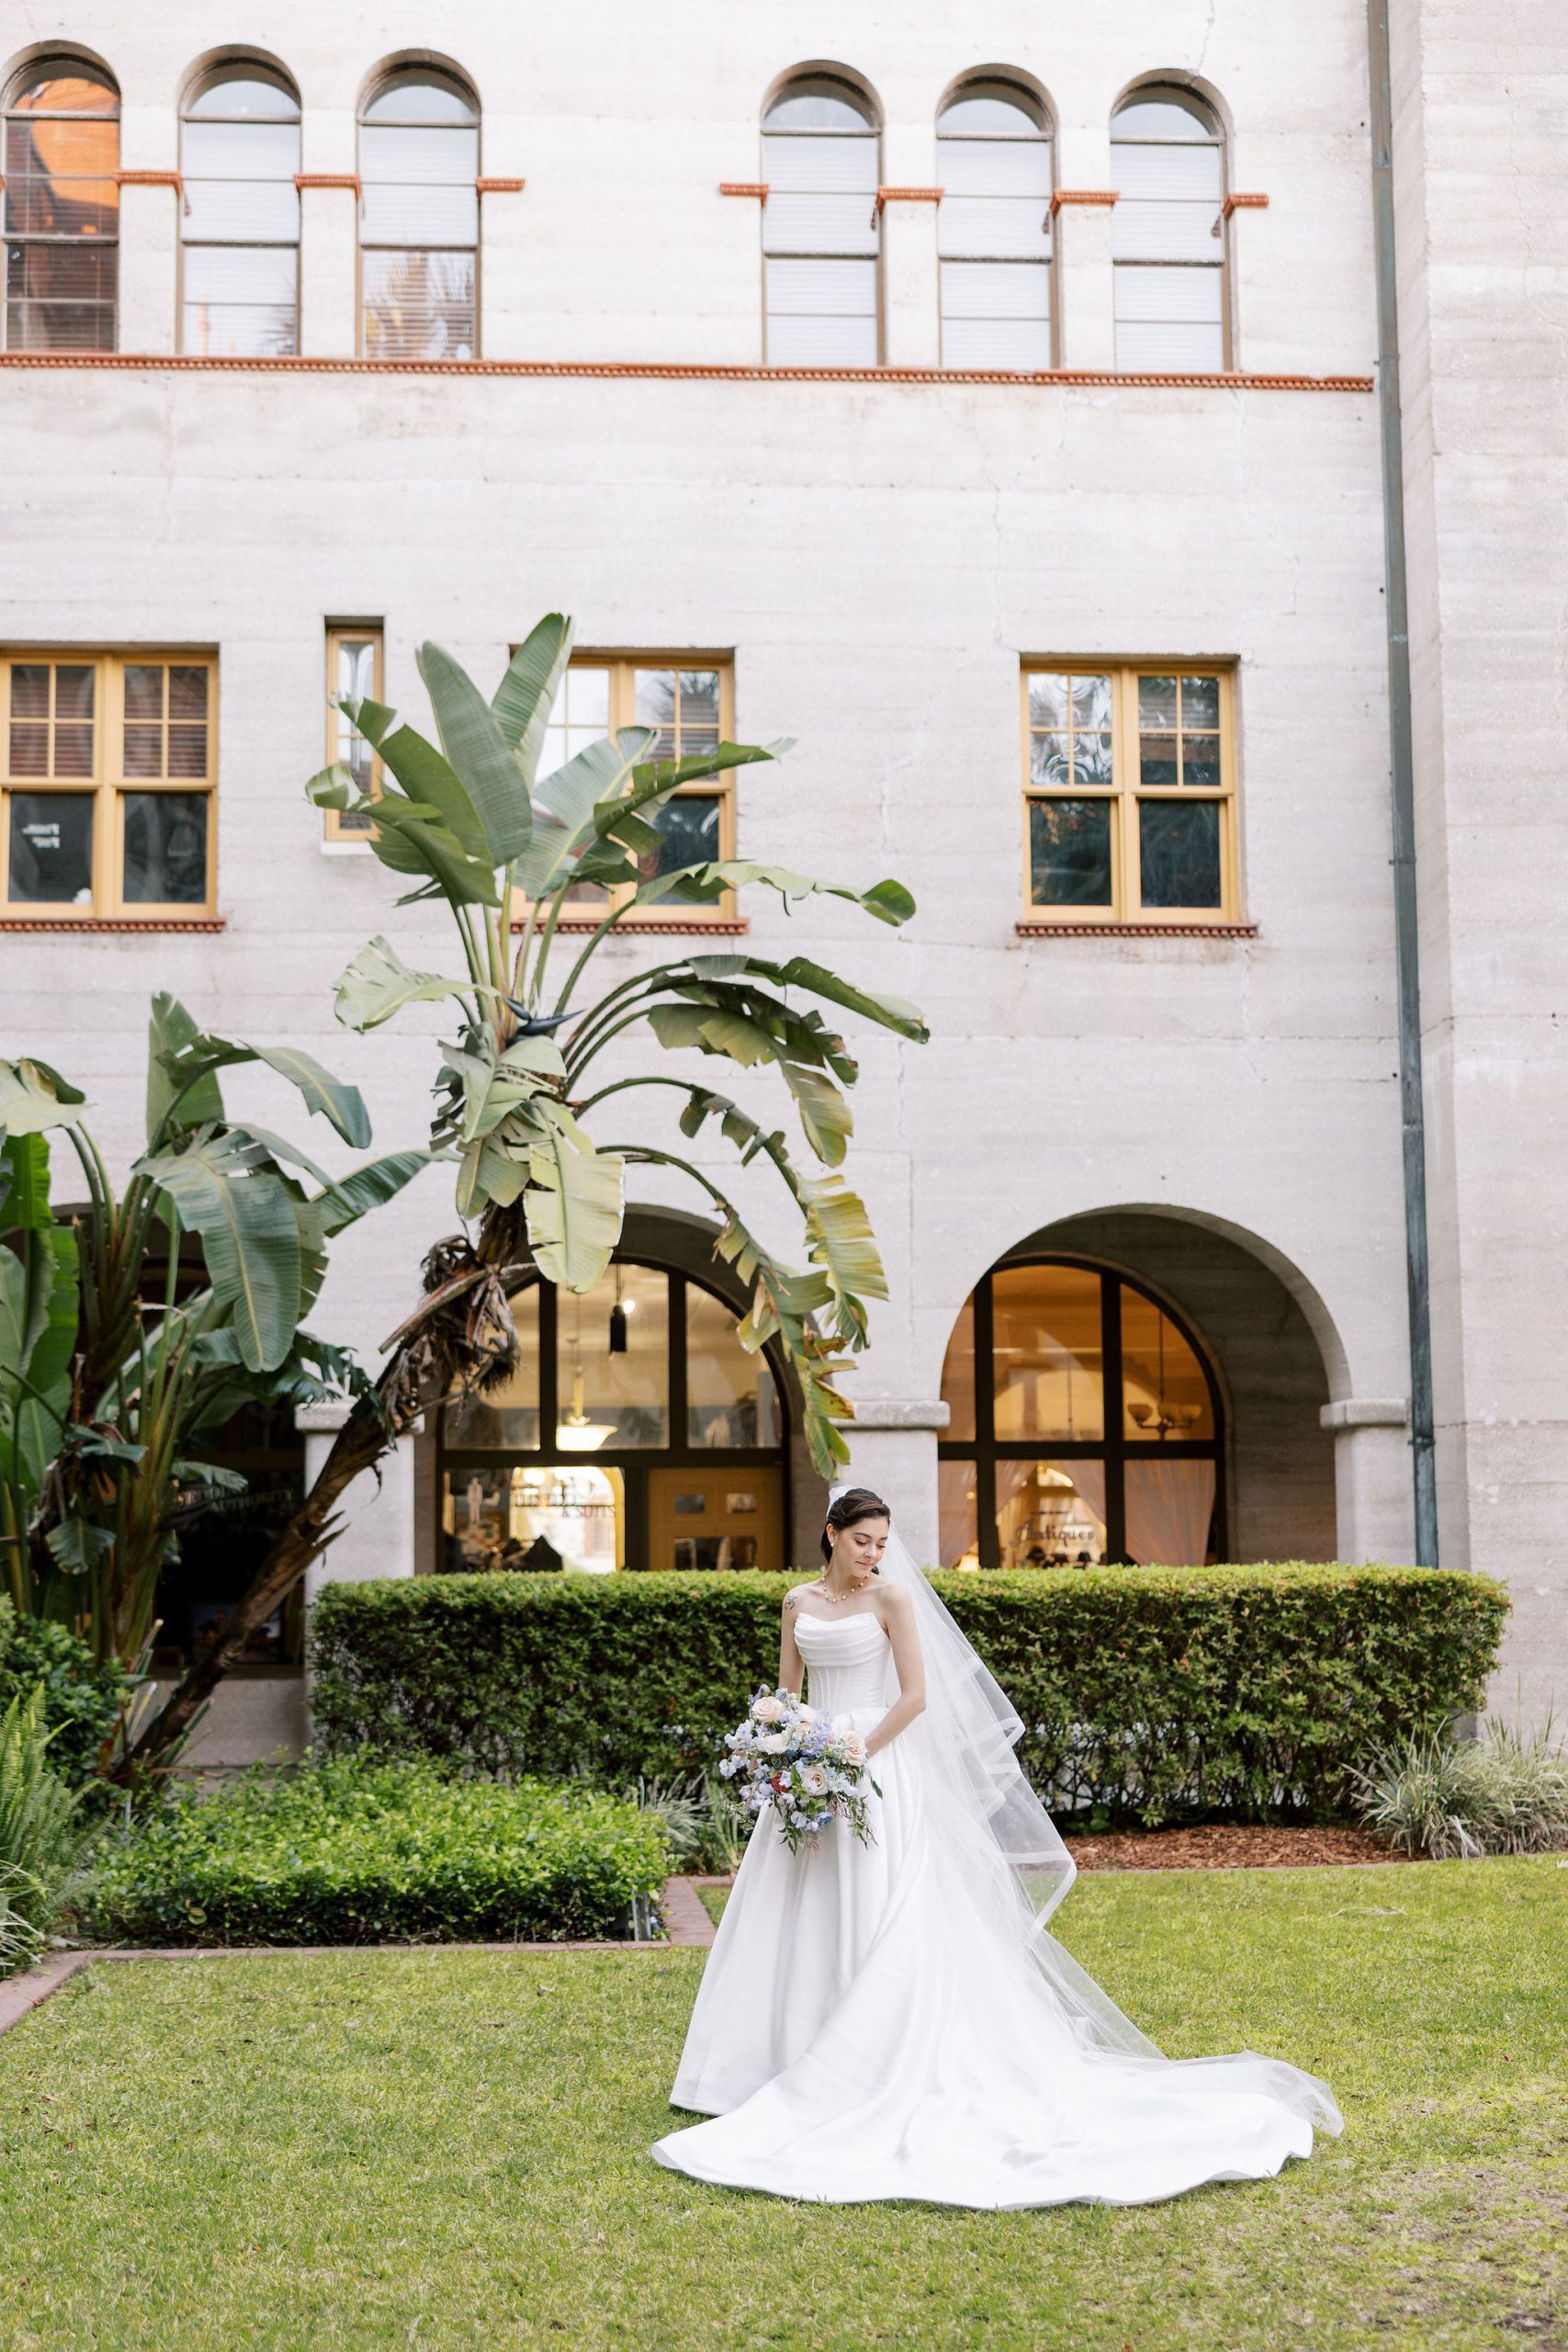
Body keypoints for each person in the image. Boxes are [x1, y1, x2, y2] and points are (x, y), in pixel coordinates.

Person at [651, 1486, 1342, 2209]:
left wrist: (854, 1754)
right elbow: (788, 1692)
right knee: (796, 1908)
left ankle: (863, 2060)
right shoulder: (796, 1603)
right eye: (863, 1541)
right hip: (808, 1767)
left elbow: (914, 1696)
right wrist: (782, 1747)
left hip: (871, 1764)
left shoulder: (890, 1601)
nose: (874, 1553)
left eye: (883, 1542)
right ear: (831, 1535)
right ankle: (776, 2060)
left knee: (877, 1904)